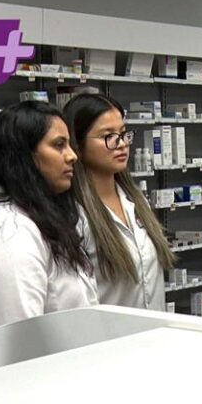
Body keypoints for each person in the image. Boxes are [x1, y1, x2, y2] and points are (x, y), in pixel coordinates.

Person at [0, 101, 98, 332]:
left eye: (69, 145)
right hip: (41, 366)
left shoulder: (38, 217)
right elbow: (19, 339)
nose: (72, 156)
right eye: (58, 145)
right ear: (23, 156)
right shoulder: (7, 233)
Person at [63, 94, 175, 311]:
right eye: (108, 136)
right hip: (108, 339)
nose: (122, 143)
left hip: (154, 336)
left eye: (123, 134)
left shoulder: (136, 199)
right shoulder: (74, 213)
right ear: (77, 145)